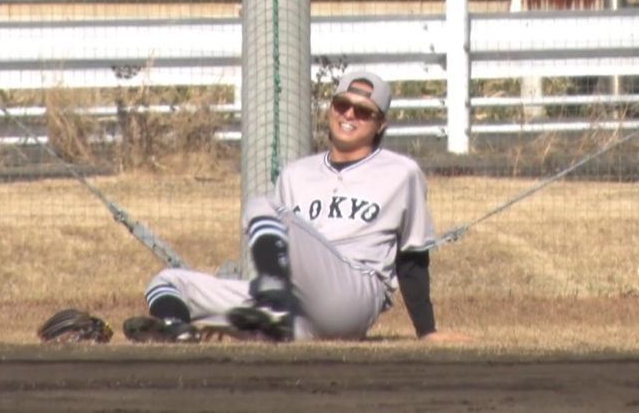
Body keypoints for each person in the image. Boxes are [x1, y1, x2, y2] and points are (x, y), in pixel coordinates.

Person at [124, 70, 467, 343]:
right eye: (341, 105)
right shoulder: (296, 174)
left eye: (364, 111)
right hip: (299, 306)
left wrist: (427, 330)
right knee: (166, 282)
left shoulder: (401, 172)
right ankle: (177, 330)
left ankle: (268, 310)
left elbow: (412, 258)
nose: (349, 114)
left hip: (355, 292)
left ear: (381, 124)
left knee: (263, 205)